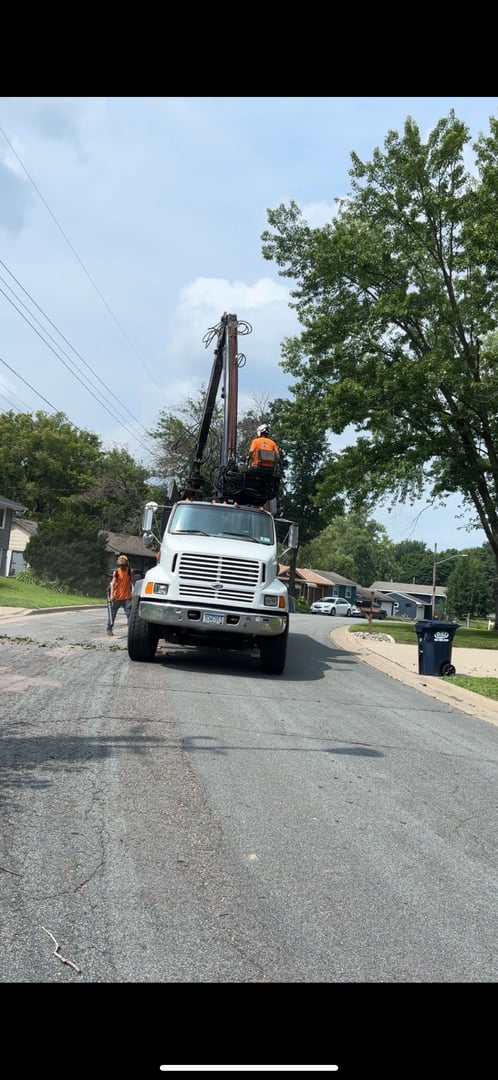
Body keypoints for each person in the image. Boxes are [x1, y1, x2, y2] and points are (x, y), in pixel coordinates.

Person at [106, 554, 136, 635]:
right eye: (120, 565)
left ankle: (131, 630)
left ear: (126, 564)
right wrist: (112, 595)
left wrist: (135, 592)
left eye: (123, 565)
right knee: (112, 613)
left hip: (127, 597)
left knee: (129, 614)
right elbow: (112, 584)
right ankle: (109, 629)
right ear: (118, 564)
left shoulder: (130, 571)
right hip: (116, 597)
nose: (121, 566)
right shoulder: (116, 572)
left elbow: (133, 583)